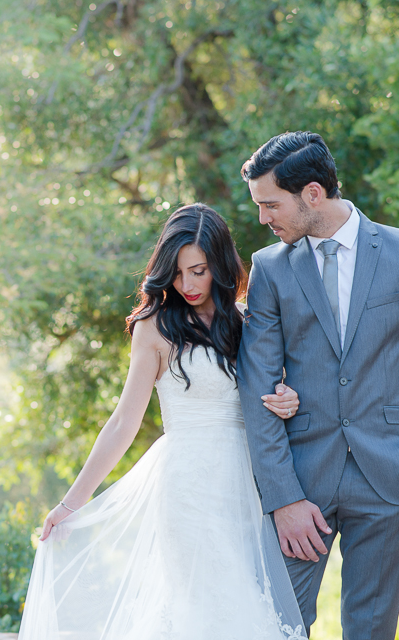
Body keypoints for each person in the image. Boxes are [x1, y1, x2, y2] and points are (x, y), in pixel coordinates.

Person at [18, 204, 308, 640]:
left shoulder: (249, 320)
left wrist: (288, 398)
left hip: (247, 485)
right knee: (205, 607)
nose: (187, 285)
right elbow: (123, 423)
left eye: (198, 271)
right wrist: (71, 502)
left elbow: (273, 392)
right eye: (176, 274)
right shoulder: (154, 327)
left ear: (222, 264)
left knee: (247, 605)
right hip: (188, 487)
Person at [237, 131, 399, 640]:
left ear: (313, 194)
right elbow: (255, 388)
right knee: (273, 626)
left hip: (392, 478)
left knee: (370, 632)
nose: (263, 218)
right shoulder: (270, 270)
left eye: (271, 204)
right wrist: (282, 498)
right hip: (300, 483)